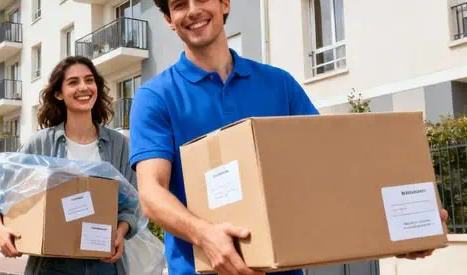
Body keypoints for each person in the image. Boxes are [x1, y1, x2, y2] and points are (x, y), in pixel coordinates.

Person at [130, 1, 450, 275]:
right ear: (169, 21)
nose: (193, 11)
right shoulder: (156, 96)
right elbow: (151, 193)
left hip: (283, 267)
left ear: (225, 3)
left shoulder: (278, 84)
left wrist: (399, 229)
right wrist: (205, 236)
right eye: (179, 5)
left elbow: (330, 167)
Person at [0, 56, 140, 275]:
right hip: (51, 265)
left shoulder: (119, 145)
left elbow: (132, 205)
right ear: (58, 93)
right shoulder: (40, 144)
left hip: (104, 264)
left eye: (89, 80)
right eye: (73, 82)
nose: (83, 87)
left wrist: (120, 232)